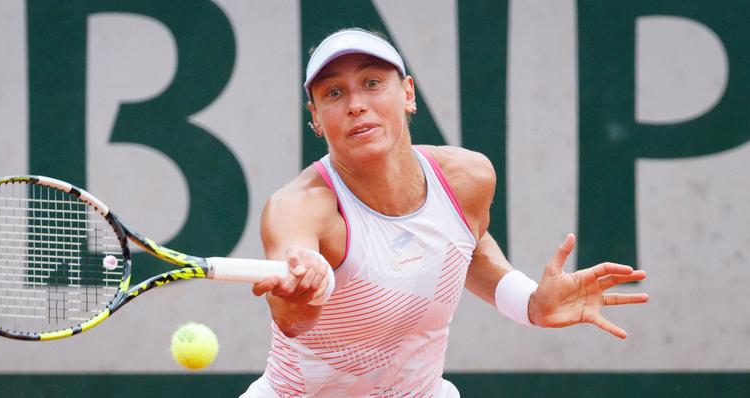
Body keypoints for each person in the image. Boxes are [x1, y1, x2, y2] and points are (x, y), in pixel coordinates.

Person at [242, 28, 648, 397]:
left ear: (407, 93)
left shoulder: (467, 178)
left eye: (371, 83)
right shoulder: (297, 208)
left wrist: (529, 303)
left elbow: (462, 248)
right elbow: (292, 320)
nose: (356, 105)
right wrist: (305, 291)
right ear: (315, 117)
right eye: (334, 93)